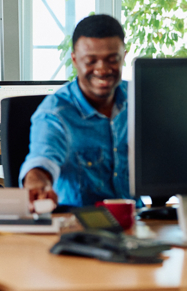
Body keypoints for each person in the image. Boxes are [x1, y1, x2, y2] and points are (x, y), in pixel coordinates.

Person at [19, 14, 134, 208]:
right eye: (91, 61)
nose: (102, 69)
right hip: (79, 226)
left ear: (124, 56)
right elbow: (42, 161)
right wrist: (38, 185)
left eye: (112, 59)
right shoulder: (55, 113)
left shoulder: (139, 98)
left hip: (139, 222)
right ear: (74, 59)